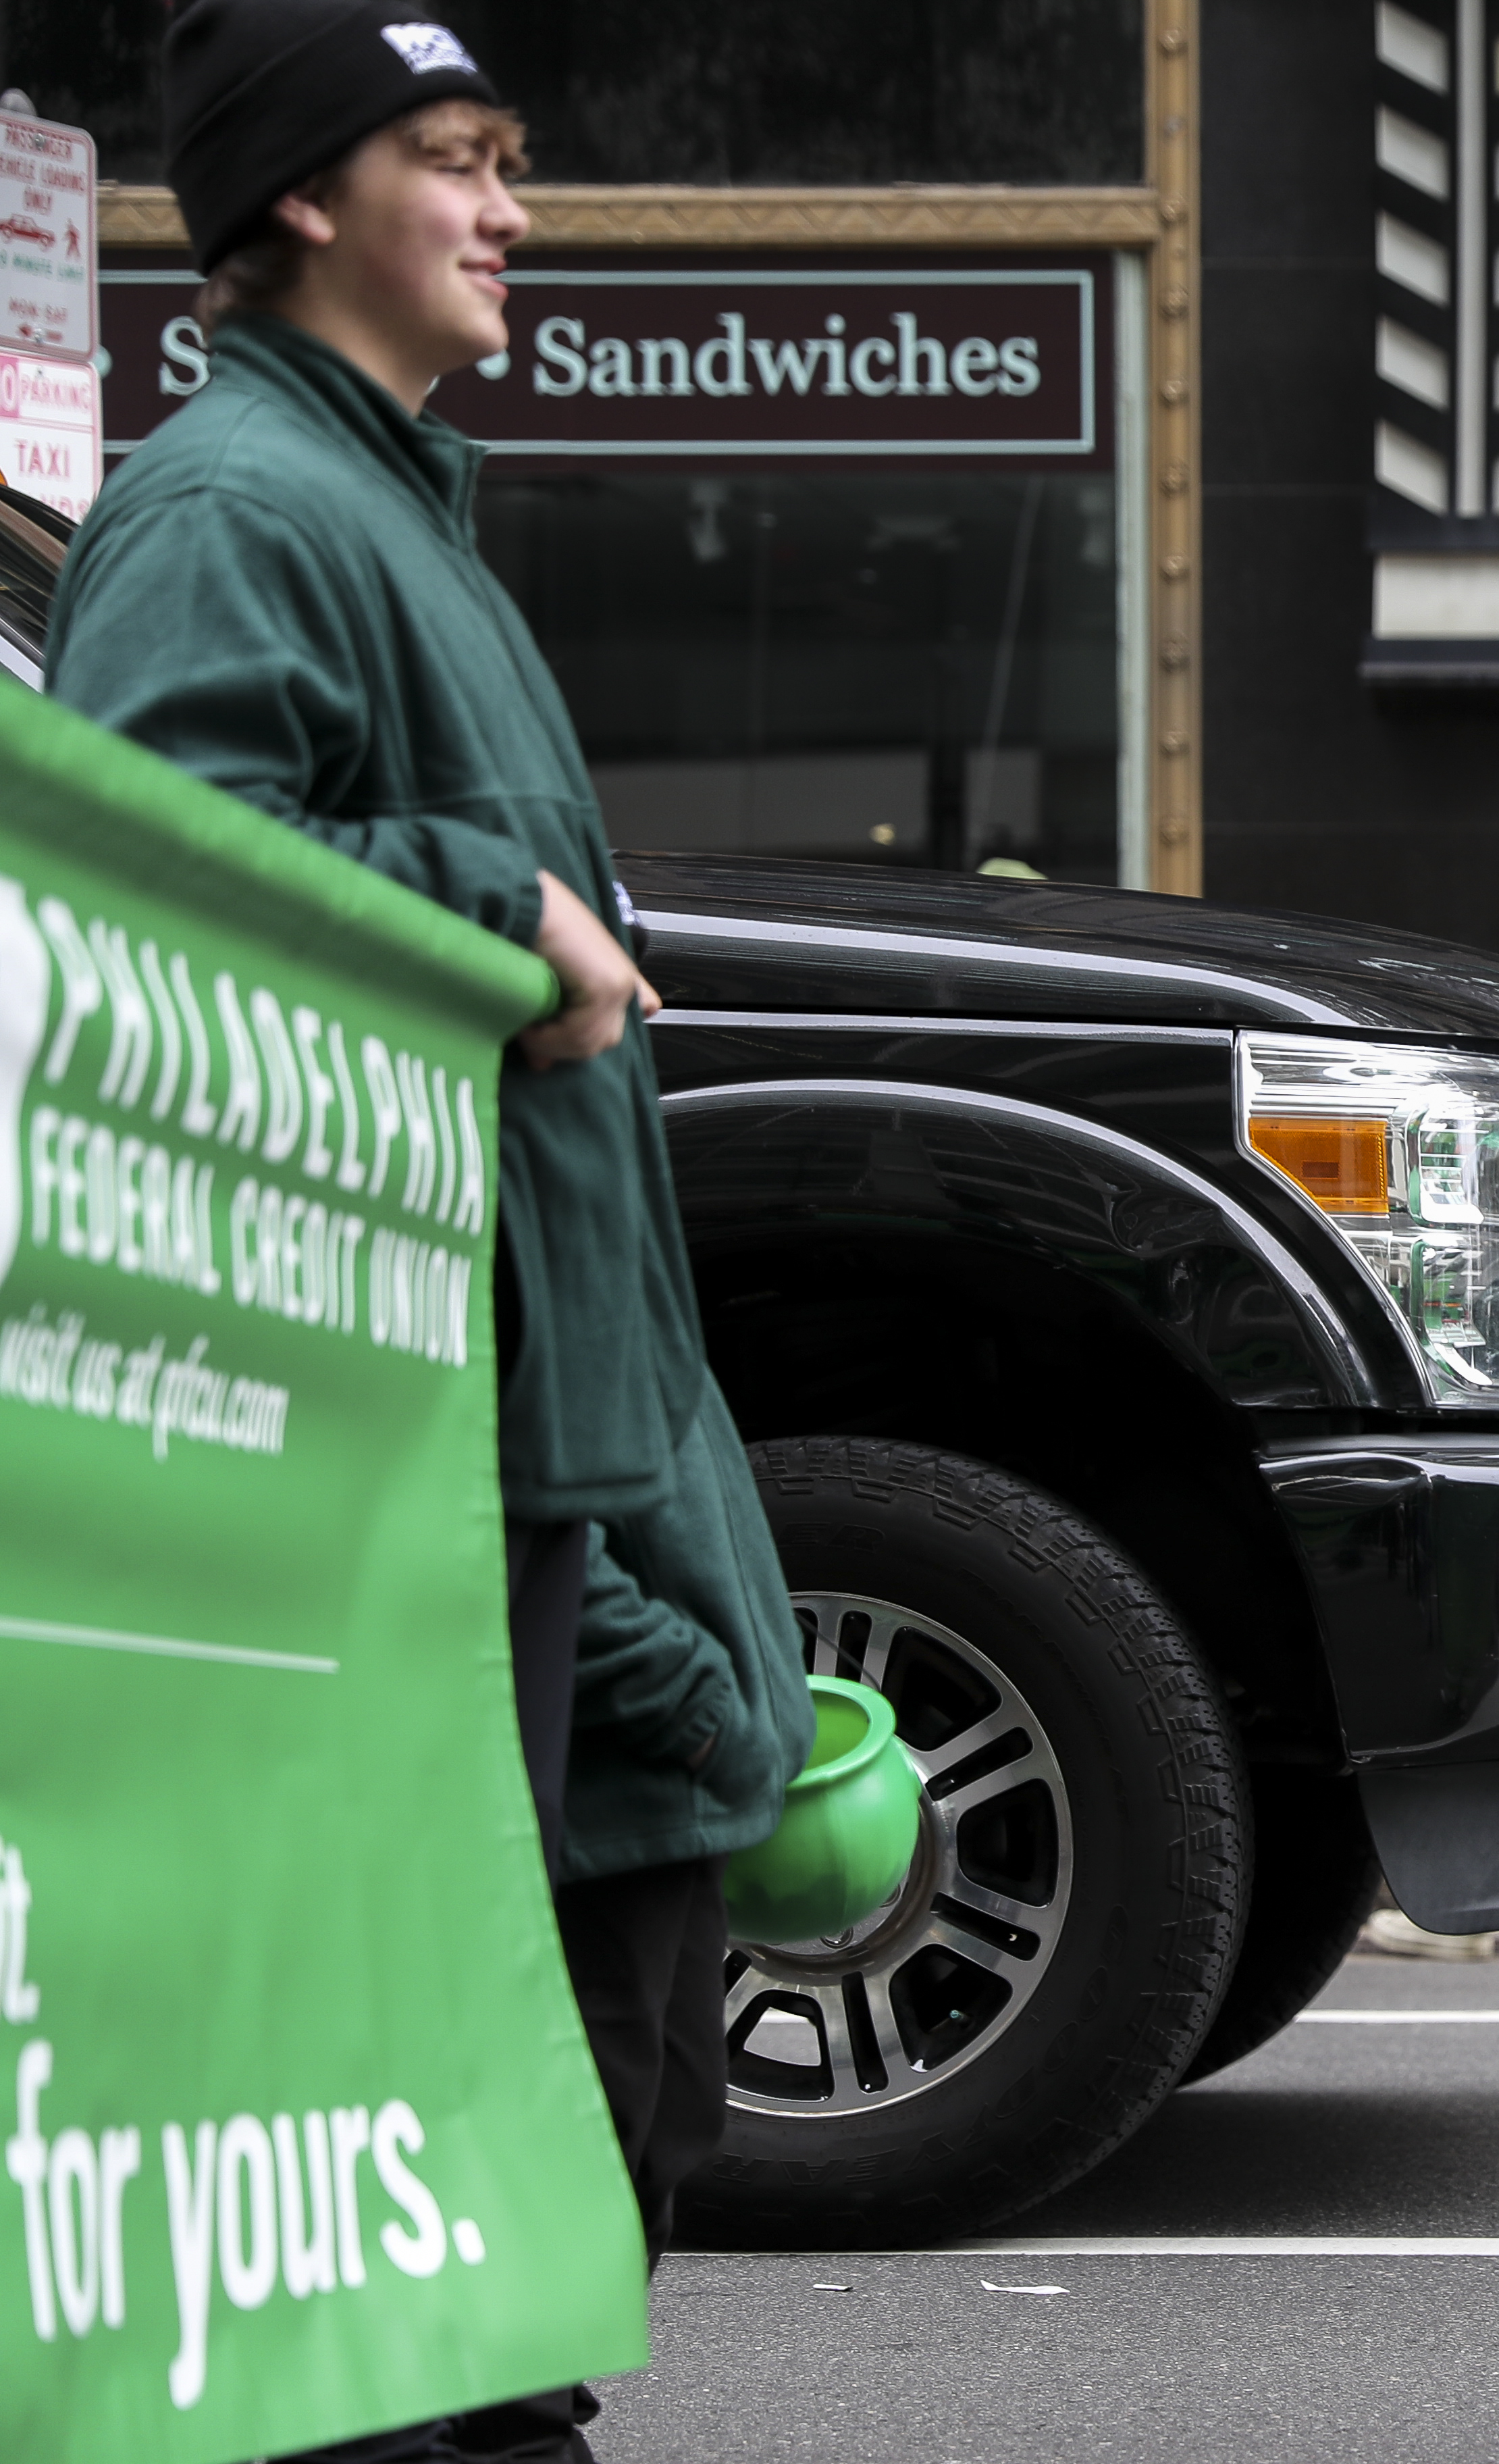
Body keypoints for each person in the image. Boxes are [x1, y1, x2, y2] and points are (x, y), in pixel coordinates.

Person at [47, 9, 806, 2451]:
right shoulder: (233, 516)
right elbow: (153, 928)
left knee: (569, 2166)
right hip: (404, 1502)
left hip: (528, 1460)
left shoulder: (386, 506)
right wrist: (493, 899)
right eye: (454, 164)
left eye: (507, 162)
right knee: (451, 2250)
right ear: (299, 201)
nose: (513, 209)